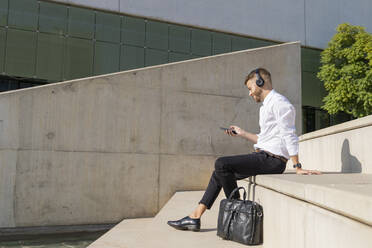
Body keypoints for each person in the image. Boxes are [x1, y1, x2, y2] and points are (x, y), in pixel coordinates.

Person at [167, 68, 322, 232]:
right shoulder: (266, 107)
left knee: (222, 164)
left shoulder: (280, 103)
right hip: (265, 156)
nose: (249, 93)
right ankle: (195, 216)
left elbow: (289, 134)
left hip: (273, 161)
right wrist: (242, 133)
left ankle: (238, 213)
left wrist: (297, 166)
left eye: (250, 88)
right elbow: (264, 140)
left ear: (260, 82)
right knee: (218, 172)